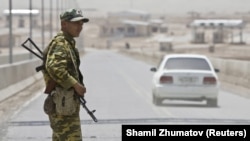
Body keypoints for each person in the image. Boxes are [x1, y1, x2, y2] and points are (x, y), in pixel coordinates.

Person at [42, 8, 89, 141]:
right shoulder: (61, 43)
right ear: (64, 24)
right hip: (62, 104)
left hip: (65, 104)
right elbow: (55, 67)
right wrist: (75, 85)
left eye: (81, 23)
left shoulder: (68, 43)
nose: (80, 27)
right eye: (76, 23)